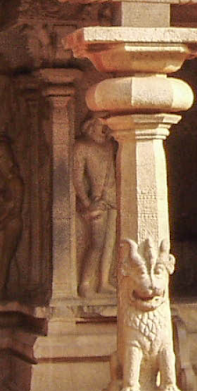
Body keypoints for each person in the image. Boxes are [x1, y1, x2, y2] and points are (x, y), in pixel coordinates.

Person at [73, 115, 120, 296]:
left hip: (112, 196)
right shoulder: (82, 146)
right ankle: (85, 283)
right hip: (96, 199)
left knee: (110, 244)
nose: (104, 129)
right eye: (101, 124)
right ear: (90, 125)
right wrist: (87, 202)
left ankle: (103, 282)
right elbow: (77, 178)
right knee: (97, 243)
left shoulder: (109, 146)